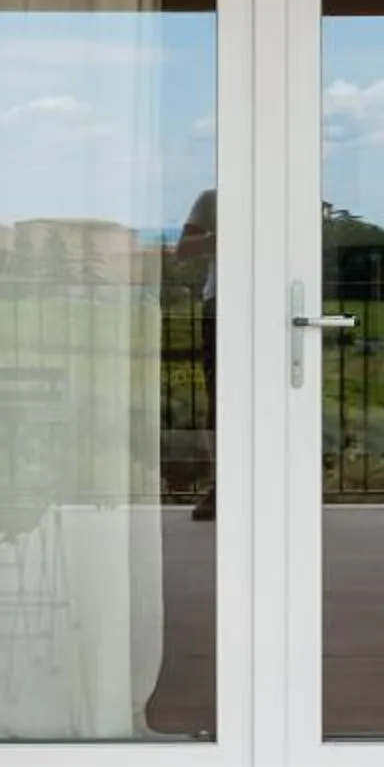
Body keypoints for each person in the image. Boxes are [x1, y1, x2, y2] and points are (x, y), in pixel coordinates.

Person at [174, 188, 218, 521]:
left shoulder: (281, 193)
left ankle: (276, 486)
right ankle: (225, 486)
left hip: (271, 306)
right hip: (221, 306)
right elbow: (183, 250)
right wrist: (221, 236)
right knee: (220, 399)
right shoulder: (212, 199)